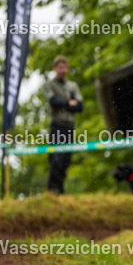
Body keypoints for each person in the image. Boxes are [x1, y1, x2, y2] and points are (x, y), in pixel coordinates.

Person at [42, 55, 83, 194]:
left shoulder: (72, 86)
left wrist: (64, 105)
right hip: (56, 126)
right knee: (55, 159)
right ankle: (51, 189)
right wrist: (68, 103)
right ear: (55, 68)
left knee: (66, 159)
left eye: (65, 68)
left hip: (69, 126)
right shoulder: (49, 85)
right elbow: (53, 102)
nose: (63, 70)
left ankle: (60, 190)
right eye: (60, 68)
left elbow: (80, 106)